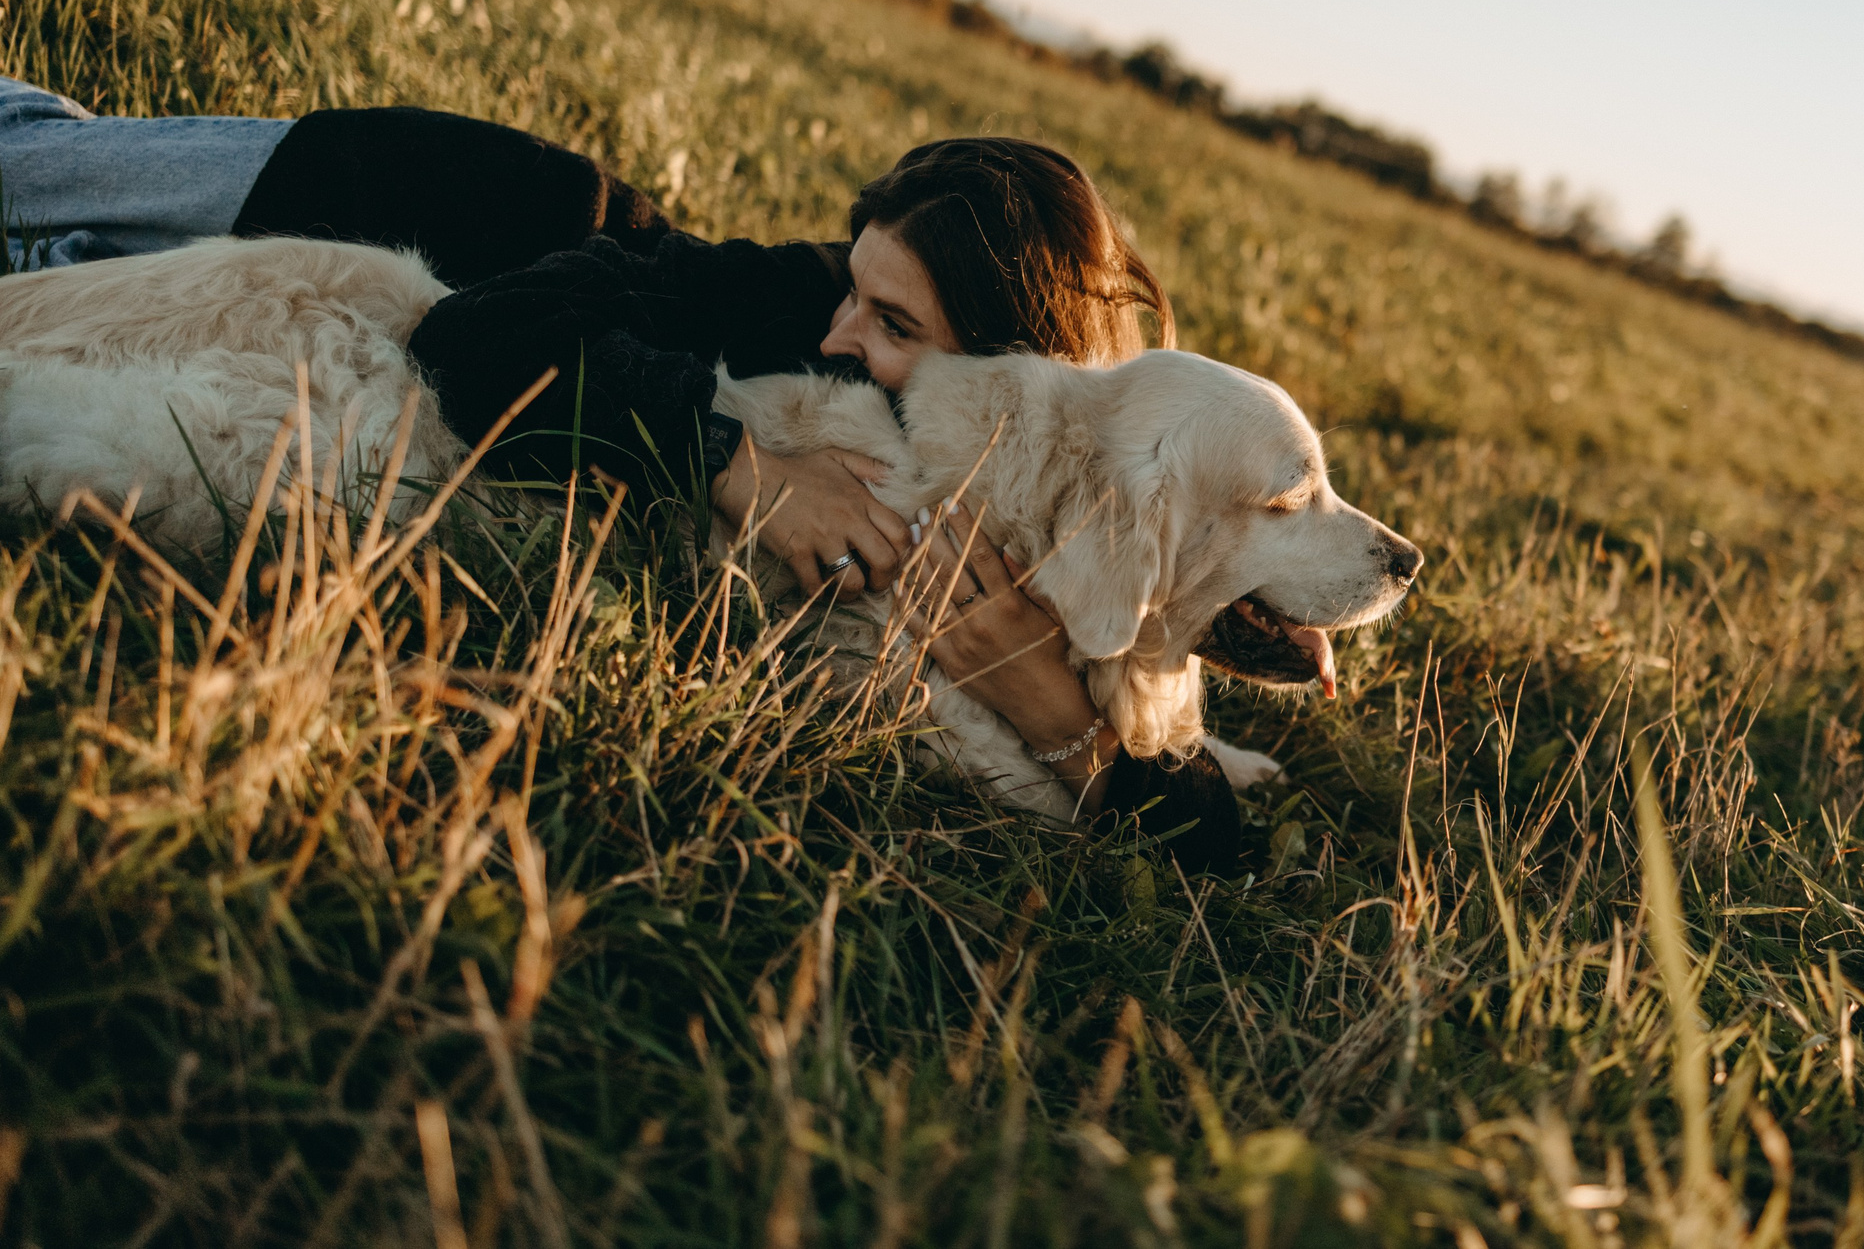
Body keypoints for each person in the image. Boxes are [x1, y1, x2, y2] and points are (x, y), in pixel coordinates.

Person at [0, 78, 1240, 870]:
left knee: (70, 253)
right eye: (855, 289)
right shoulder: (796, 315)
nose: (838, 339)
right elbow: (473, 343)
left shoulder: (1070, 476)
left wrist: (1063, 728)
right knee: (36, 157)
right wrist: (735, 462)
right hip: (401, 201)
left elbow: (1203, 819)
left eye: (895, 325)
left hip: (333, 310)